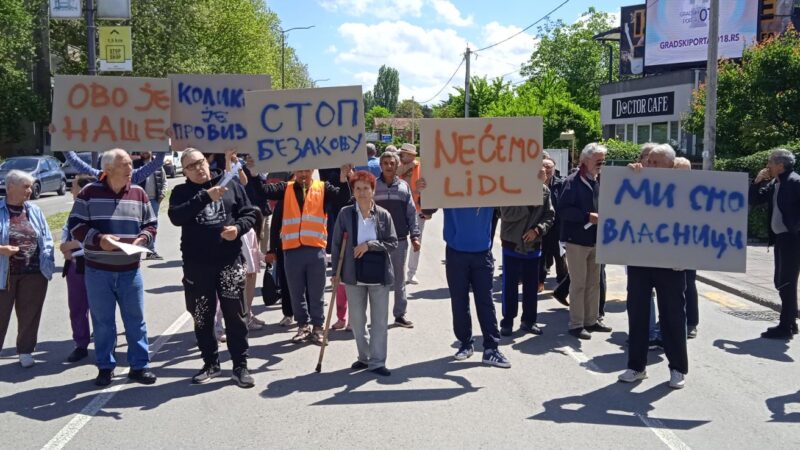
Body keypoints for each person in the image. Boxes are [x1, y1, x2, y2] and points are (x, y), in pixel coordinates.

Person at [168, 148, 258, 388]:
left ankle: (240, 365)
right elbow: (176, 217)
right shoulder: (181, 192)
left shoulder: (229, 183)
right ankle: (210, 363)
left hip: (229, 262)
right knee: (202, 317)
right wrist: (205, 196)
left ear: (207, 161)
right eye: (191, 166)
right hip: (197, 266)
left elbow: (250, 213)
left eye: (200, 162)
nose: (198, 168)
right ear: (184, 171)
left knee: (235, 316)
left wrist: (237, 229)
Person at [67, 149, 158, 387]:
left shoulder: (138, 193)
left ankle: (140, 366)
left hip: (130, 270)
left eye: (130, 163)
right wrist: (98, 239)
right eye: (125, 164)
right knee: (103, 322)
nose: (131, 168)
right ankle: (105, 367)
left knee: (135, 320)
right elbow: (75, 224)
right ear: (108, 170)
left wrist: (143, 239)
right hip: (98, 271)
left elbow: (150, 223)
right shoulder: (88, 193)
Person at [618, 144, 688, 389]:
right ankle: (636, 367)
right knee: (637, 315)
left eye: (656, 162)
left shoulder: (683, 187)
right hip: (640, 260)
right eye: (648, 161)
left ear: (671, 165)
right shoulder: (636, 181)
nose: (650, 165)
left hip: (671, 263)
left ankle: (677, 368)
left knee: (673, 317)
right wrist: (626, 178)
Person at [260, 167, 352, 345]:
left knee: (316, 292)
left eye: (307, 171)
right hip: (291, 250)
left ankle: (317, 327)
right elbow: (262, 191)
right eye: (300, 171)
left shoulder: (323, 188)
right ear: (294, 171)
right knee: (296, 292)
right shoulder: (285, 188)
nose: (303, 174)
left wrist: (342, 178)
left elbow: (343, 199)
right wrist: (256, 174)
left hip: (315, 249)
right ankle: (303, 326)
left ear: (312, 171)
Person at [330, 170, 398, 376]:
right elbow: (335, 244)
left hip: (378, 275)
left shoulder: (384, 215)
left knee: (379, 321)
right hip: (353, 274)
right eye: (357, 189)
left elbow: (393, 242)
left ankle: (377, 361)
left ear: (372, 190)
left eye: (365, 189)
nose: (361, 192)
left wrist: (370, 245)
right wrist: (335, 272)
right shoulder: (345, 213)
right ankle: (364, 356)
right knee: (358, 321)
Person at [442, 206, 510, 368]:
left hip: (482, 252)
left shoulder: (488, 184)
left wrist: (535, 182)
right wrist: (425, 189)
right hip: (456, 251)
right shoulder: (448, 181)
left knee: (485, 301)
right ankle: (465, 343)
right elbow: (428, 209)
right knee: (459, 301)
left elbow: (517, 192)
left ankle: (491, 349)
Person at [0, 170, 55, 368]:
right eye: (25, 186)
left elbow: (47, 237)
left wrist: (47, 262)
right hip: (4, 273)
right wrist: (2, 249)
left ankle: (25, 351)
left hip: (34, 272)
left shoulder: (34, 210)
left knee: (30, 314)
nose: (30, 190)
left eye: (30, 186)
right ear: (10, 187)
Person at [558, 143, 611, 340]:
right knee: (579, 283)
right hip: (577, 241)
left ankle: (591, 320)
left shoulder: (599, 181)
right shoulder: (572, 182)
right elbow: (563, 210)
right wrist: (587, 216)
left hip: (595, 240)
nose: (601, 163)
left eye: (603, 159)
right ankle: (576, 324)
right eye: (598, 159)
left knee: (594, 283)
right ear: (585, 160)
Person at [750, 148, 800, 339]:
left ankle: (785, 326)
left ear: (780, 165)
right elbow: (754, 199)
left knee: (785, 282)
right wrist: (757, 181)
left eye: (770, 162)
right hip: (781, 239)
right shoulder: (775, 183)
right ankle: (790, 323)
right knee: (783, 282)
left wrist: (795, 228)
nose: (768, 165)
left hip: (792, 239)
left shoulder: (795, 181)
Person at [499, 167, 554, 336]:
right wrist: (529, 201)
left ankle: (529, 321)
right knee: (510, 286)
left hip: (533, 246)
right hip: (512, 244)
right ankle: (507, 321)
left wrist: (537, 230)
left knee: (531, 287)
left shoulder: (544, 191)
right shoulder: (510, 188)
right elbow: (506, 214)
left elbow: (550, 216)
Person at [374, 151, 420, 328]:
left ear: (396, 165)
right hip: (377, 241)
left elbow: (411, 213)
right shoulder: (373, 186)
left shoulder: (403, 187)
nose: (388, 166)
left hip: (399, 239)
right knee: (379, 280)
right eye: (385, 163)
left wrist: (415, 236)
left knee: (399, 279)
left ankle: (399, 315)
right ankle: (378, 317)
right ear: (381, 166)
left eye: (391, 163)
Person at [60, 174, 97, 363]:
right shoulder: (74, 210)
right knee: (77, 307)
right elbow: (64, 238)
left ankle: (105, 345)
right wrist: (65, 247)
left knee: (100, 308)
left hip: (95, 265)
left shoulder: (96, 208)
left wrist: (70, 245)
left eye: (73, 186)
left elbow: (92, 239)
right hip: (75, 266)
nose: (71, 190)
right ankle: (81, 344)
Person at [398, 143, 432, 285]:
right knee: (397, 242)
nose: (401, 156)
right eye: (402, 154)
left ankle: (412, 273)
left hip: (417, 211)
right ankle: (397, 273)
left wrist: (429, 210)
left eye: (404, 154)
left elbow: (430, 189)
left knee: (416, 242)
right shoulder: (397, 166)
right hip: (399, 210)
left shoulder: (421, 168)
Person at [674, 157, 700, 339]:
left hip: (689, 245)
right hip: (669, 245)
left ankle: (691, 322)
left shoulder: (696, 192)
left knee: (688, 284)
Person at [540, 157, 568, 298]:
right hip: (541, 226)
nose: (547, 169)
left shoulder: (561, 183)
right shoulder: (535, 183)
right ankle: (540, 281)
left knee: (560, 256)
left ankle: (562, 283)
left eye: (550, 166)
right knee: (542, 256)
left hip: (558, 226)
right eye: (544, 166)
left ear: (554, 168)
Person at [134, 151, 167, 260]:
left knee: (152, 226)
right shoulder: (135, 164)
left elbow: (164, 181)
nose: (144, 151)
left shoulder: (157, 164)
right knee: (137, 226)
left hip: (153, 200)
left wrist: (162, 194)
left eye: (146, 149)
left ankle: (150, 251)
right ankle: (136, 250)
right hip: (139, 201)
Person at [242, 209, 266, 330]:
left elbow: (255, 250)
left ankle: (249, 315)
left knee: (247, 297)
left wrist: (264, 258)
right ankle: (247, 321)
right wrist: (250, 269)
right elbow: (247, 251)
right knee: (247, 296)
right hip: (249, 270)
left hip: (251, 268)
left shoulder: (249, 231)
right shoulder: (248, 232)